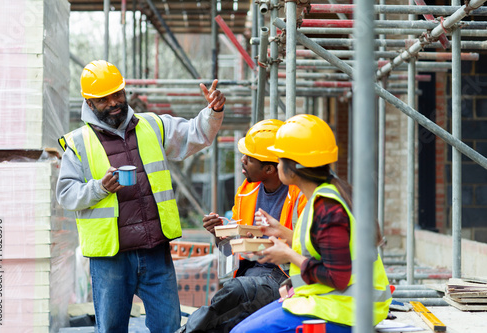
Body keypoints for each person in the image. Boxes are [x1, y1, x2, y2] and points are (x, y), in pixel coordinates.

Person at [55, 60, 226, 333]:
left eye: (118, 94)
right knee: (111, 329)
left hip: (154, 251)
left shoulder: (151, 125)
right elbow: (65, 195)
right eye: (104, 99)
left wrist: (213, 111)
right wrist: (100, 187)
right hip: (111, 257)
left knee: (168, 326)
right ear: (88, 103)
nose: (113, 102)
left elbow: (195, 134)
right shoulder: (78, 143)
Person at [231, 114, 392, 333]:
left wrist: (287, 255)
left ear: (294, 167)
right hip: (333, 301)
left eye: (280, 160)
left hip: (346, 310)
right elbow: (321, 250)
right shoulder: (323, 197)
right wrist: (282, 233)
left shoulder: (328, 207)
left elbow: (338, 277)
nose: (276, 166)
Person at [180, 119, 307, 333]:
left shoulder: (301, 196)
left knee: (236, 295)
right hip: (249, 274)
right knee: (231, 302)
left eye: (249, 158)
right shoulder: (246, 192)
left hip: (285, 279)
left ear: (268, 169)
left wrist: (277, 242)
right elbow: (231, 252)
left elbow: (311, 250)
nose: (243, 160)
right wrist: (219, 235)